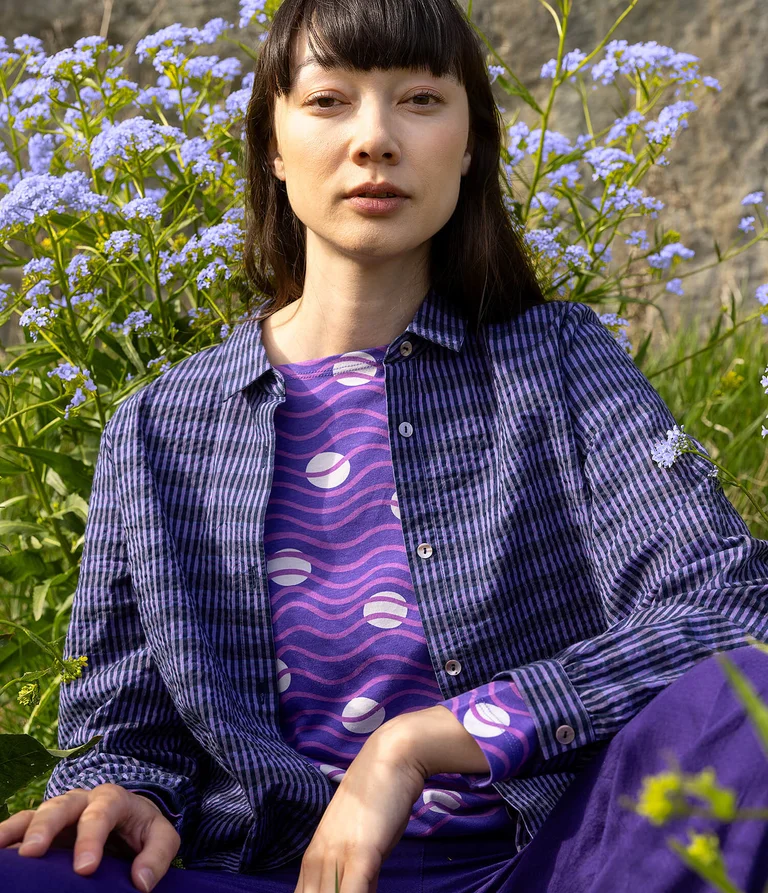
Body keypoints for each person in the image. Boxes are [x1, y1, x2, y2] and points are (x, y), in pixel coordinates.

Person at [1, 0, 768, 890]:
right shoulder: (158, 427)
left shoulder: (559, 361)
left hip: (549, 861)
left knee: (749, 702)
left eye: (419, 99)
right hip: (261, 872)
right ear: (275, 146)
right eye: (329, 101)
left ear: (471, 143)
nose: (375, 139)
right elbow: (124, 730)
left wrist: (420, 742)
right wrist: (121, 788)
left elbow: (736, 605)